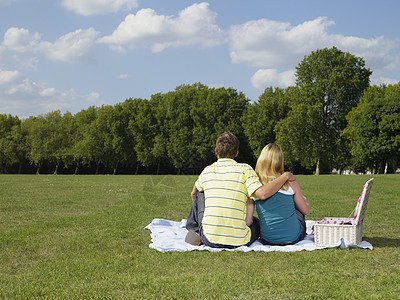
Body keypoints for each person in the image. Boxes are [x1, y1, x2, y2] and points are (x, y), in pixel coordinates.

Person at [185, 132, 295, 248]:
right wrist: (285, 176)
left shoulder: (207, 171)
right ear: (237, 153)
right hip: (240, 240)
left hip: (209, 238)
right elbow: (261, 194)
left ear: (216, 151)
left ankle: (195, 230)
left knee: (199, 191)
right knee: (256, 223)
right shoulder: (245, 170)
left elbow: (193, 194)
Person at [247, 143, 310, 246]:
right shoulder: (289, 182)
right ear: (280, 161)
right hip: (293, 237)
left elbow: (248, 220)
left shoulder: (255, 184)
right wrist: (304, 200)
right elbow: (305, 210)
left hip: (268, 239)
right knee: (299, 205)